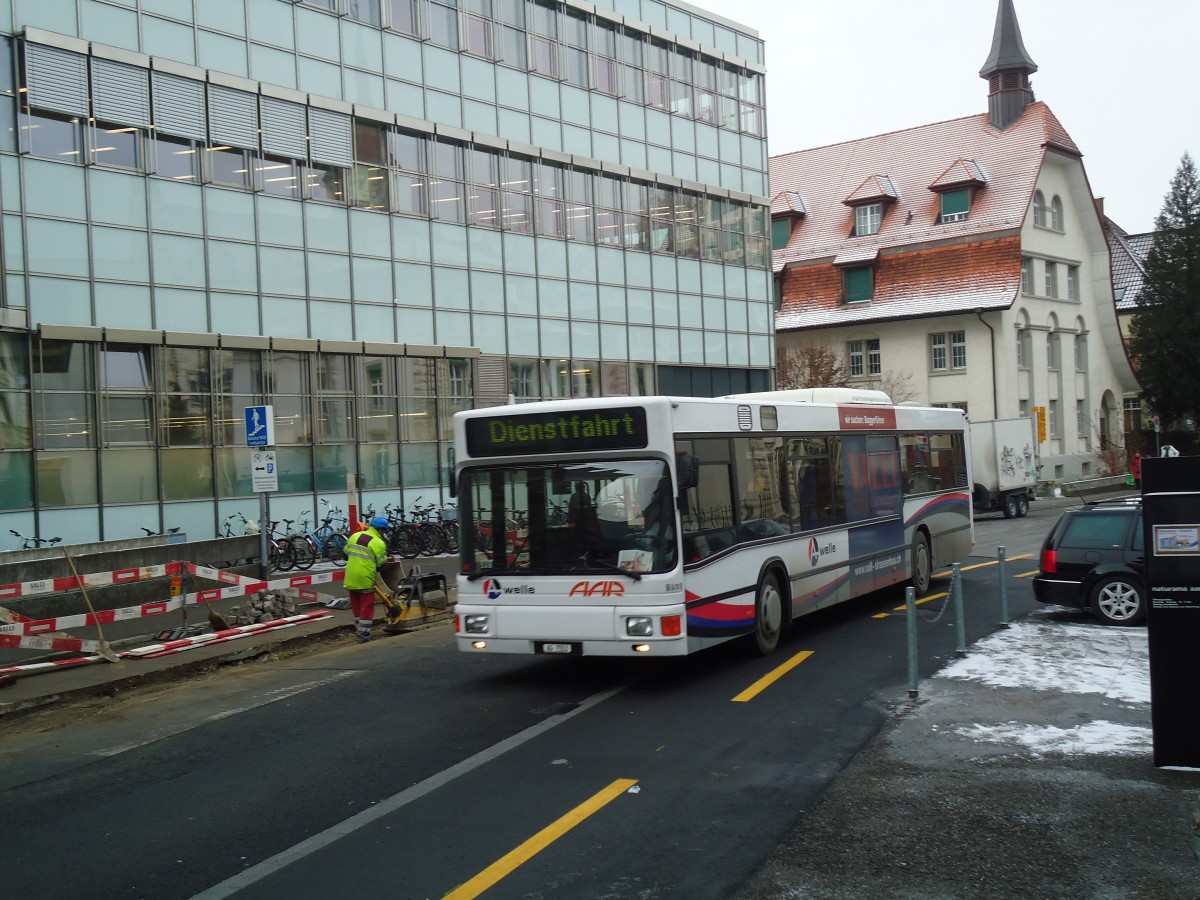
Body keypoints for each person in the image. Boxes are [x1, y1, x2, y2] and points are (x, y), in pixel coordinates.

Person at [344, 515, 391, 643]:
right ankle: (363, 636)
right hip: (365, 578)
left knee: (357, 607)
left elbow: (346, 553)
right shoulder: (378, 543)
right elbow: (381, 564)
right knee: (366, 607)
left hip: (350, 577)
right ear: (382, 530)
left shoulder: (355, 536)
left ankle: (359, 630)